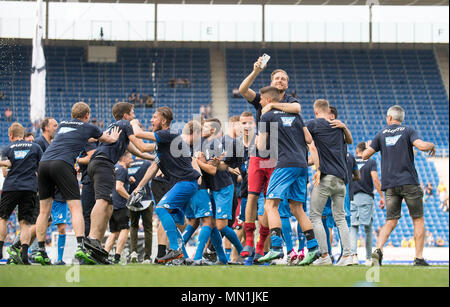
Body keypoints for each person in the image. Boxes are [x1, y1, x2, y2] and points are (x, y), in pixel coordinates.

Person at [33, 102, 121, 265]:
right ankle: (81, 246)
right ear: (87, 115)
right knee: (76, 209)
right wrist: (114, 136)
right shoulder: (88, 127)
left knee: (44, 212)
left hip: (44, 163)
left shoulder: (62, 126)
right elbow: (108, 139)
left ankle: (40, 251)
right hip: (63, 164)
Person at [238, 56, 301, 262]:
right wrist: (256, 70)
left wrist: (273, 106)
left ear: (287, 84)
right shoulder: (262, 98)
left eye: (283, 79)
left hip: (279, 157)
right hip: (259, 154)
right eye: (277, 78)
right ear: (271, 81)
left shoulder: (289, 101)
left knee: (270, 202)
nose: (280, 81)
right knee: (252, 195)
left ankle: (260, 244)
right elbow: (242, 90)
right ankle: (249, 240)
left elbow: (297, 108)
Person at [254, 86, 320, 265]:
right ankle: (313, 248)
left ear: (268, 100)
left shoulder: (266, 116)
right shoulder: (297, 117)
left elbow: (261, 147)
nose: (259, 102)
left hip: (284, 164)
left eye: (261, 99)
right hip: (301, 165)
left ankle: (276, 248)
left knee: (270, 204)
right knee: (297, 209)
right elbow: (308, 139)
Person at [363, 105, 435, 266]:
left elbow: (366, 155)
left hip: (390, 184)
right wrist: (432, 146)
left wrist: (369, 146)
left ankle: (378, 250)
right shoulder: (408, 130)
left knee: (390, 221)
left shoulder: (381, 134)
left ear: (389, 118)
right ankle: (418, 257)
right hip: (409, 182)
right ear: (401, 119)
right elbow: (422, 146)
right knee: (418, 219)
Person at [130, 107, 202, 263]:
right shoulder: (163, 142)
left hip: (186, 182)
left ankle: (174, 250)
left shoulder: (168, 134)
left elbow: (138, 134)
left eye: (154, 117)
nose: (151, 120)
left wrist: (132, 122)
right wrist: (139, 187)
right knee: (174, 220)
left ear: (163, 121)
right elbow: (142, 148)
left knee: (161, 209)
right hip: (183, 184)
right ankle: (183, 256)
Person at [85, 102, 153, 264]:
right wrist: (165, 146)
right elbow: (142, 146)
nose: (134, 116)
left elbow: (137, 151)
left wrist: (153, 158)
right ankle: (92, 239)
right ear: (126, 115)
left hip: (98, 164)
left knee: (108, 206)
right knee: (103, 201)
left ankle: (97, 251)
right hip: (104, 163)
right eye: (133, 113)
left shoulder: (116, 127)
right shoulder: (125, 124)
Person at [306, 99, 354, 266]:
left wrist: (316, 167)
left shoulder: (314, 124)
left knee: (315, 215)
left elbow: (307, 142)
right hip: (342, 179)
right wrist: (345, 127)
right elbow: (350, 142)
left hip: (326, 177)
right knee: (340, 218)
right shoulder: (338, 126)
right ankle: (348, 256)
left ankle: (324, 256)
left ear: (316, 112)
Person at [0, 123, 43, 264]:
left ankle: (0, 253)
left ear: (11, 136)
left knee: (3, 219)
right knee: (25, 224)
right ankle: (24, 256)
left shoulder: (7, 149)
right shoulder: (35, 147)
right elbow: (41, 168)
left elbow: (5, 172)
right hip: (29, 188)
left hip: (10, 187)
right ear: (23, 134)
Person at [350, 142, 384, 266]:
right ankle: (368, 258)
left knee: (353, 227)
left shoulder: (351, 160)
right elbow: (375, 178)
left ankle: (353, 256)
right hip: (366, 197)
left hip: (352, 198)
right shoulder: (371, 162)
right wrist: (381, 196)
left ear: (357, 151)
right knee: (368, 228)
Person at [104, 151, 133, 264]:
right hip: (121, 204)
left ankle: (105, 254)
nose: (132, 160)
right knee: (125, 229)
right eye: (130, 157)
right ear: (124, 158)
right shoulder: (122, 169)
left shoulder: (114, 168)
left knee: (114, 232)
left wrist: (128, 180)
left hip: (112, 203)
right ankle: (117, 257)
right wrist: (130, 198)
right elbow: (119, 187)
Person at [128, 156, 155, 264]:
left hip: (133, 199)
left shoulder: (129, 164)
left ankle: (133, 252)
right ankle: (147, 257)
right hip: (146, 199)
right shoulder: (148, 164)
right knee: (148, 229)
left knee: (133, 226)